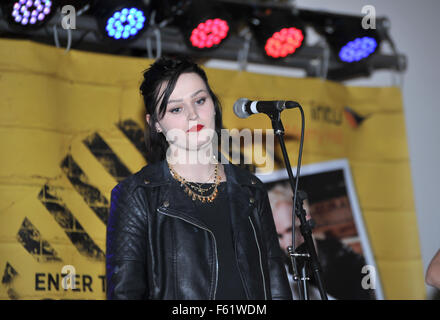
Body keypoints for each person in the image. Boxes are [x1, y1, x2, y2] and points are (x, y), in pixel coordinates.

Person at [105, 56, 292, 300]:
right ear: (156, 124)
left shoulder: (250, 189)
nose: (193, 115)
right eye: (176, 109)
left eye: (200, 100)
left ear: (213, 104)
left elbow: (276, 284)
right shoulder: (138, 194)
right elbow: (125, 294)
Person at [268, 181, 374, 300]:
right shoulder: (279, 267)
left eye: (289, 230)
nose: (286, 244)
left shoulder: (344, 258)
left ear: (306, 219)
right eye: (279, 236)